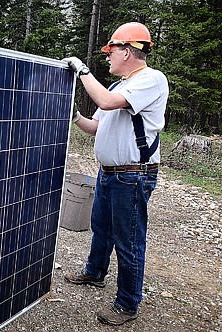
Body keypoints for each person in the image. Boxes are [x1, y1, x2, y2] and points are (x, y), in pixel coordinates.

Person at [62, 22, 168, 326]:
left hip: (133, 176)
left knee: (129, 240)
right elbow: (96, 125)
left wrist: (83, 71)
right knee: (101, 229)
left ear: (128, 50)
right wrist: (75, 117)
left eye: (112, 50)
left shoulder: (151, 79)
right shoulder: (117, 85)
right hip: (108, 174)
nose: (108, 56)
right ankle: (94, 273)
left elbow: (106, 104)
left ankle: (127, 303)